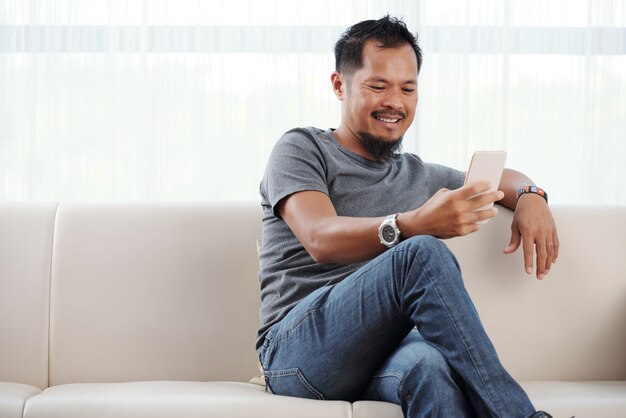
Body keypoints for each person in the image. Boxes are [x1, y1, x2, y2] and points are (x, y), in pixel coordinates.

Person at [256, 15, 559, 418]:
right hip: (297, 353)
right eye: (377, 86)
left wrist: (532, 196)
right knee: (420, 253)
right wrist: (412, 224)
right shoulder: (302, 148)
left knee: (431, 369)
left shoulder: (419, 176)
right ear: (339, 85)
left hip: (378, 352)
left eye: (408, 88)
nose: (394, 102)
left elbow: (503, 180)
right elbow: (320, 238)